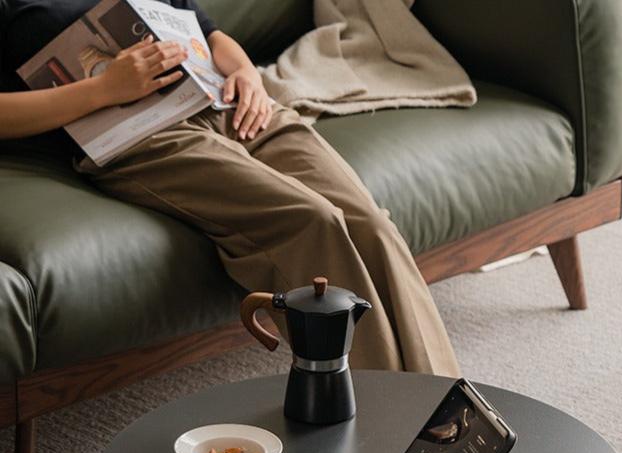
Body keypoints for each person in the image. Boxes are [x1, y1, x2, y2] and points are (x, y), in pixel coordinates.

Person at [0, 0, 460, 376]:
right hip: (136, 135)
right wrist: (103, 90)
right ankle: (389, 429)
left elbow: (207, 31)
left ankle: (447, 418)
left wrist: (246, 74)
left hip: (227, 101)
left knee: (371, 223)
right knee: (314, 221)